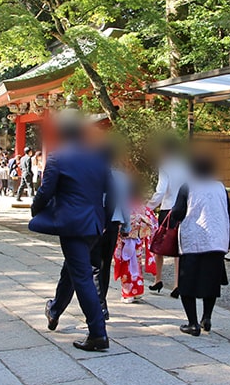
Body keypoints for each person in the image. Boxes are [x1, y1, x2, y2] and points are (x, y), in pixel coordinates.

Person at [31, 118, 114, 352]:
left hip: (72, 225)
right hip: (94, 225)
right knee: (72, 268)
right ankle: (55, 309)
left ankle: (98, 333)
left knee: (82, 276)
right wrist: (105, 221)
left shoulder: (58, 157)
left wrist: (36, 210)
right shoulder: (97, 157)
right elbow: (113, 191)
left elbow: (46, 190)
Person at [169, 154, 230, 336]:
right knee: (211, 281)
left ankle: (192, 323)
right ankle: (207, 317)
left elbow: (178, 213)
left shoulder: (188, 187)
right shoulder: (220, 187)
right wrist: (227, 241)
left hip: (194, 241)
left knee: (187, 282)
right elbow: (227, 213)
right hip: (217, 241)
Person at [91, 145, 132, 318]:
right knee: (106, 263)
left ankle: (100, 304)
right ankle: (103, 301)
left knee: (94, 265)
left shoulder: (92, 175)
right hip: (114, 223)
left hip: (96, 223)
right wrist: (126, 226)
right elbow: (124, 204)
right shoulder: (122, 178)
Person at [146, 136, 189, 297]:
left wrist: (148, 207)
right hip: (183, 209)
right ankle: (177, 284)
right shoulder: (186, 166)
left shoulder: (165, 167)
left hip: (167, 209)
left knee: (160, 244)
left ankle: (158, 279)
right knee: (178, 247)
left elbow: (161, 190)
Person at [113, 184, 157, 304]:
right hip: (138, 240)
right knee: (137, 265)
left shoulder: (124, 205)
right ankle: (137, 291)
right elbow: (153, 224)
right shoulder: (142, 207)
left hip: (125, 240)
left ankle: (128, 294)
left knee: (126, 265)